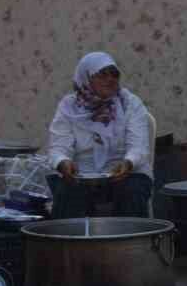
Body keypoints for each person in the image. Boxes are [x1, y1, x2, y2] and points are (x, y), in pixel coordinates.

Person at [46, 52, 154, 218]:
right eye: (102, 74)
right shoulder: (69, 107)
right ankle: (70, 243)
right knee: (66, 190)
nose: (110, 79)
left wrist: (128, 163)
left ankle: (129, 243)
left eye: (114, 74)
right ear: (86, 77)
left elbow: (139, 147)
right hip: (82, 175)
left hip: (125, 174)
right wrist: (63, 162)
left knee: (132, 191)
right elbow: (58, 147)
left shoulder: (129, 103)